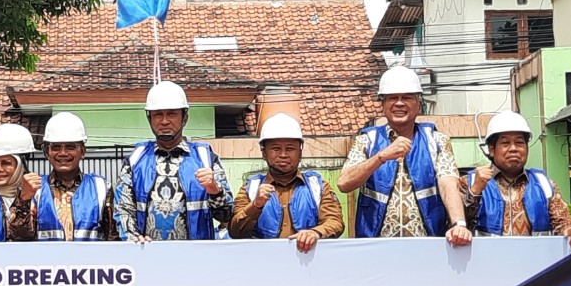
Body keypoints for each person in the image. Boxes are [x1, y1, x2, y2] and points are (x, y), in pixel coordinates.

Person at [337, 66, 471, 247]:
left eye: (407, 97)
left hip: (427, 246)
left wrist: (459, 224)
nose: (399, 103)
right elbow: (344, 183)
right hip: (376, 247)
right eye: (392, 98)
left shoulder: (437, 141)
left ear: (418, 103)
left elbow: (448, 183)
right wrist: (381, 157)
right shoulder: (367, 141)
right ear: (382, 104)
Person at [113, 81, 233, 242]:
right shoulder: (135, 160)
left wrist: (215, 191)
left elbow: (226, 215)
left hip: (195, 259)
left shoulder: (205, 158)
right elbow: (122, 208)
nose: (164, 121)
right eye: (158, 114)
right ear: (149, 119)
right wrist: (133, 238)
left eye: (171, 114)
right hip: (147, 257)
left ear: (185, 118)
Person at [465, 110, 571, 245]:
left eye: (519, 143)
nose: (513, 149)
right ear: (492, 149)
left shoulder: (544, 184)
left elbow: (564, 223)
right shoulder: (470, 182)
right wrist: (474, 192)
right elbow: (455, 226)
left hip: (538, 264)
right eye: (505, 143)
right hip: (489, 263)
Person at [229, 113, 345, 251]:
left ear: (300, 153)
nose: (283, 154)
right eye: (276, 149)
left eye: (290, 149)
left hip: (307, 265)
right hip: (262, 264)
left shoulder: (317, 186)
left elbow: (335, 222)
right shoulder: (251, 188)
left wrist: (316, 232)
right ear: (264, 152)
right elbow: (235, 232)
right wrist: (255, 205)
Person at [8, 112, 117, 241]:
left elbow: (114, 238)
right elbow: (18, 238)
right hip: (48, 261)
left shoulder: (101, 188)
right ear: (46, 152)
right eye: (56, 147)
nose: (63, 153)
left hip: (90, 261)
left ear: (82, 151)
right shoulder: (35, 189)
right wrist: (24, 200)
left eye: (70, 147)